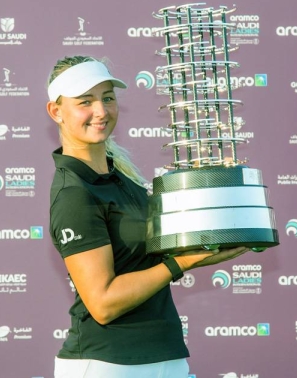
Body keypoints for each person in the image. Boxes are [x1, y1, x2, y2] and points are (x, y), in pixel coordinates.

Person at [46, 55, 250, 378]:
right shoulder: (74, 195)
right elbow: (103, 302)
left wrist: (207, 247)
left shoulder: (123, 178)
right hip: (107, 365)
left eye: (107, 98)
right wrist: (179, 265)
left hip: (165, 357)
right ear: (56, 111)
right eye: (85, 101)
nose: (101, 111)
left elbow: (149, 259)